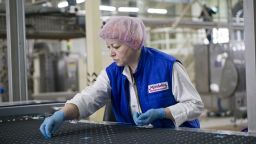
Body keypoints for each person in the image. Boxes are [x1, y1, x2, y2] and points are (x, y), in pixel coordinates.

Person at [39, 16, 204, 139]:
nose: (111, 52)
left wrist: (163, 113)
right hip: (138, 139)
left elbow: (195, 105)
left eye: (116, 46)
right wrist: (61, 114)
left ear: (135, 42)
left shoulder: (167, 66)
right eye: (108, 47)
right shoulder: (112, 73)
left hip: (180, 137)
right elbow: (88, 98)